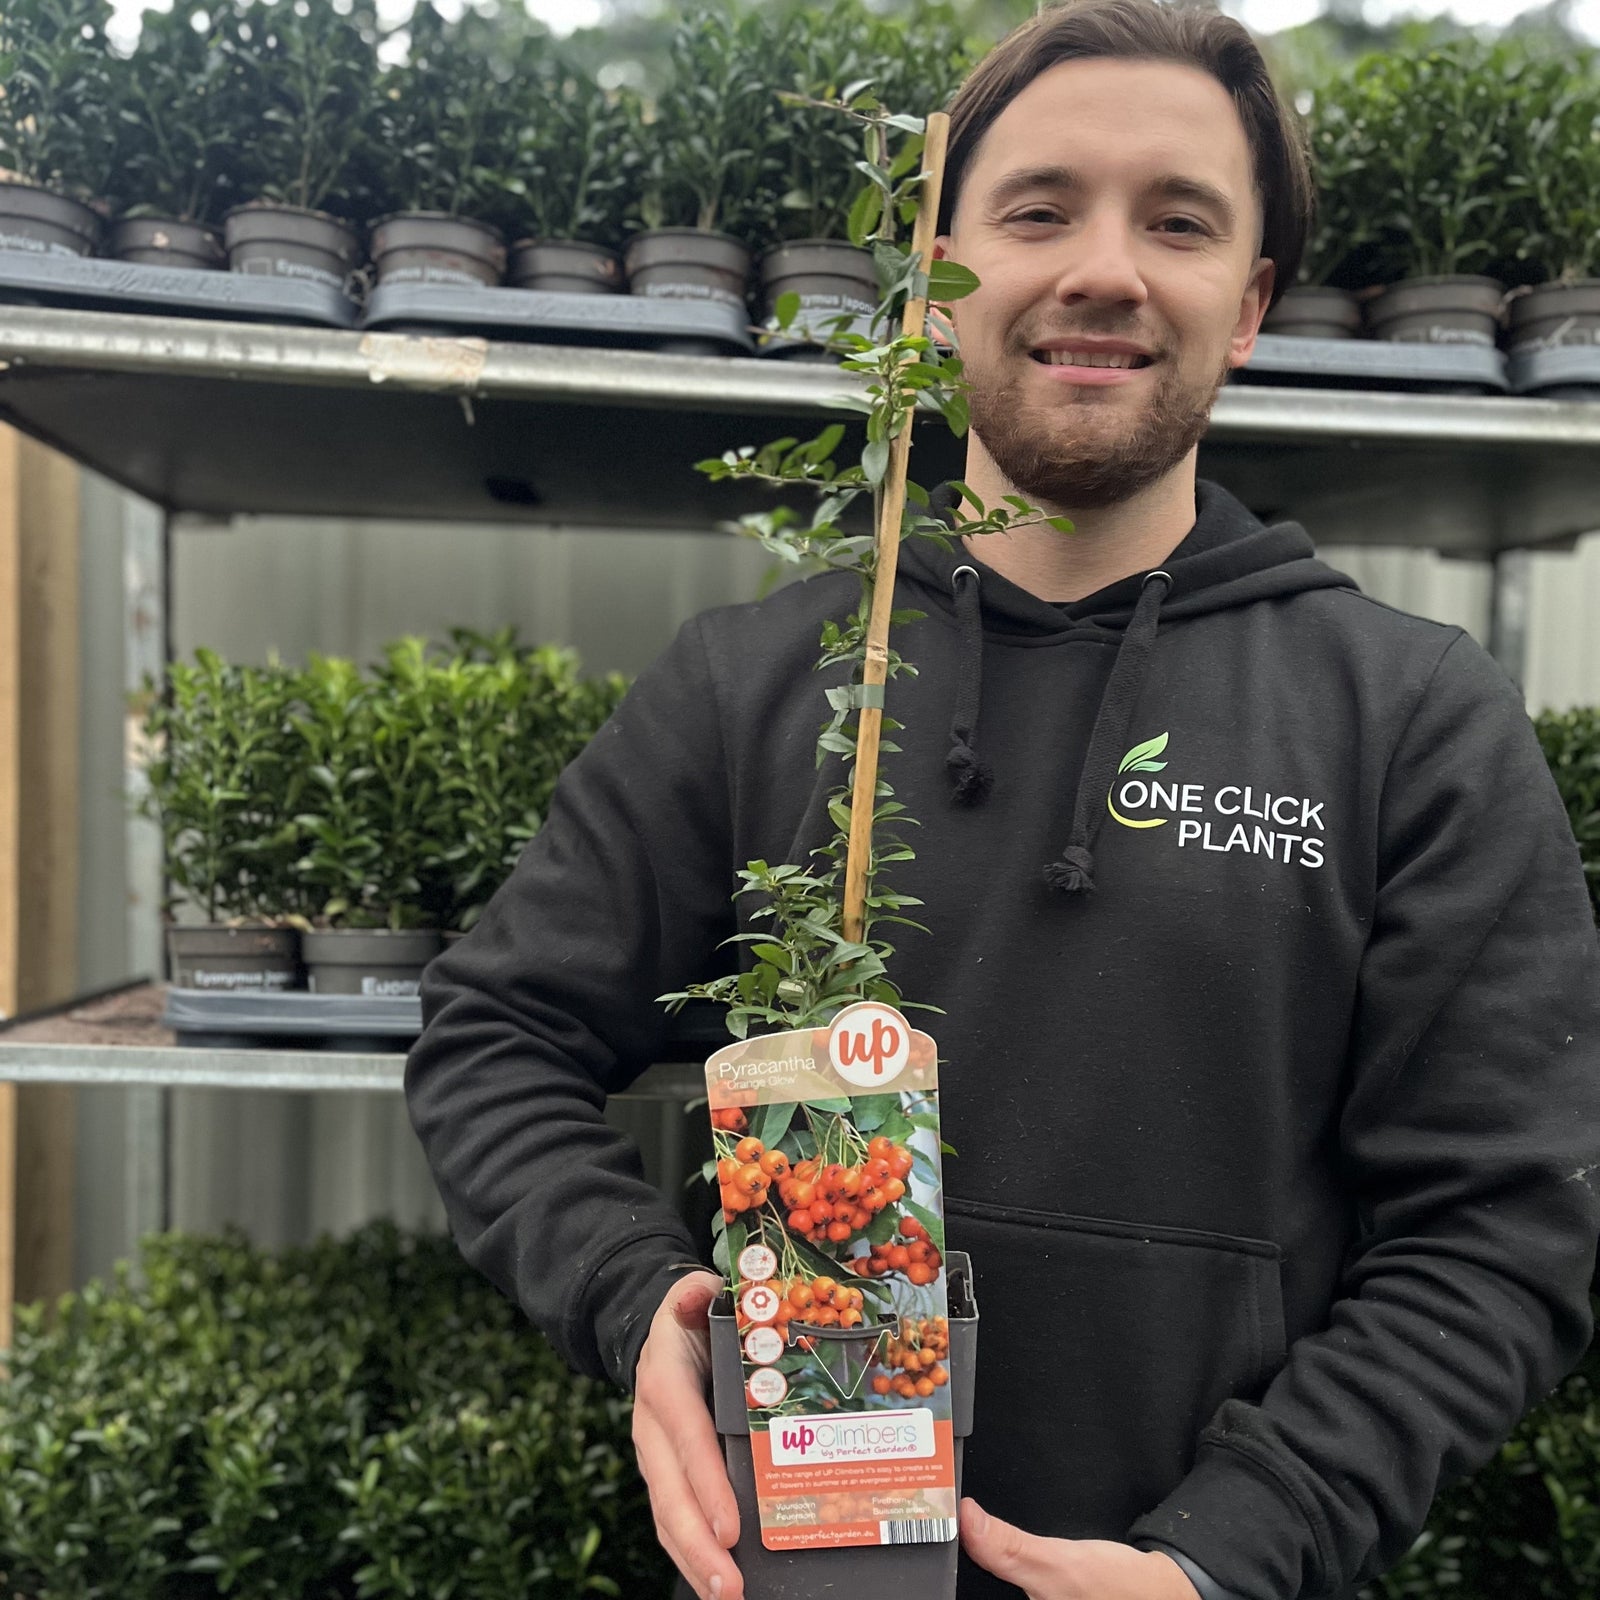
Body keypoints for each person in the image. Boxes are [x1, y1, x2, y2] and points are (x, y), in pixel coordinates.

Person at [404, 2, 1600, 1597]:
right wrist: (643, 1310)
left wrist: (1229, 1556)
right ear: (935, 273)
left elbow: (1505, 1226)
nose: (1103, 266)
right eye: (1039, 209)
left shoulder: (1411, 721)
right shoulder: (756, 685)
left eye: (1177, 221)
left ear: (1245, 306)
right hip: (797, 1568)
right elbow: (495, 1040)